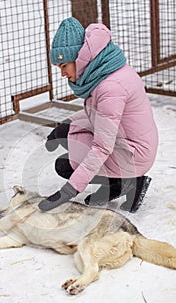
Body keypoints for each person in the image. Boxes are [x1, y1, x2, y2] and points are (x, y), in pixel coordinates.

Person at [38, 17, 158, 213]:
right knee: (69, 137)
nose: (63, 74)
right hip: (132, 143)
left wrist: (70, 190)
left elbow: (102, 147)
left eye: (64, 66)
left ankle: (130, 182)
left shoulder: (110, 87)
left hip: (135, 154)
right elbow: (101, 115)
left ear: (79, 58)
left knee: (65, 166)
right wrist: (65, 126)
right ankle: (118, 183)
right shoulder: (105, 70)